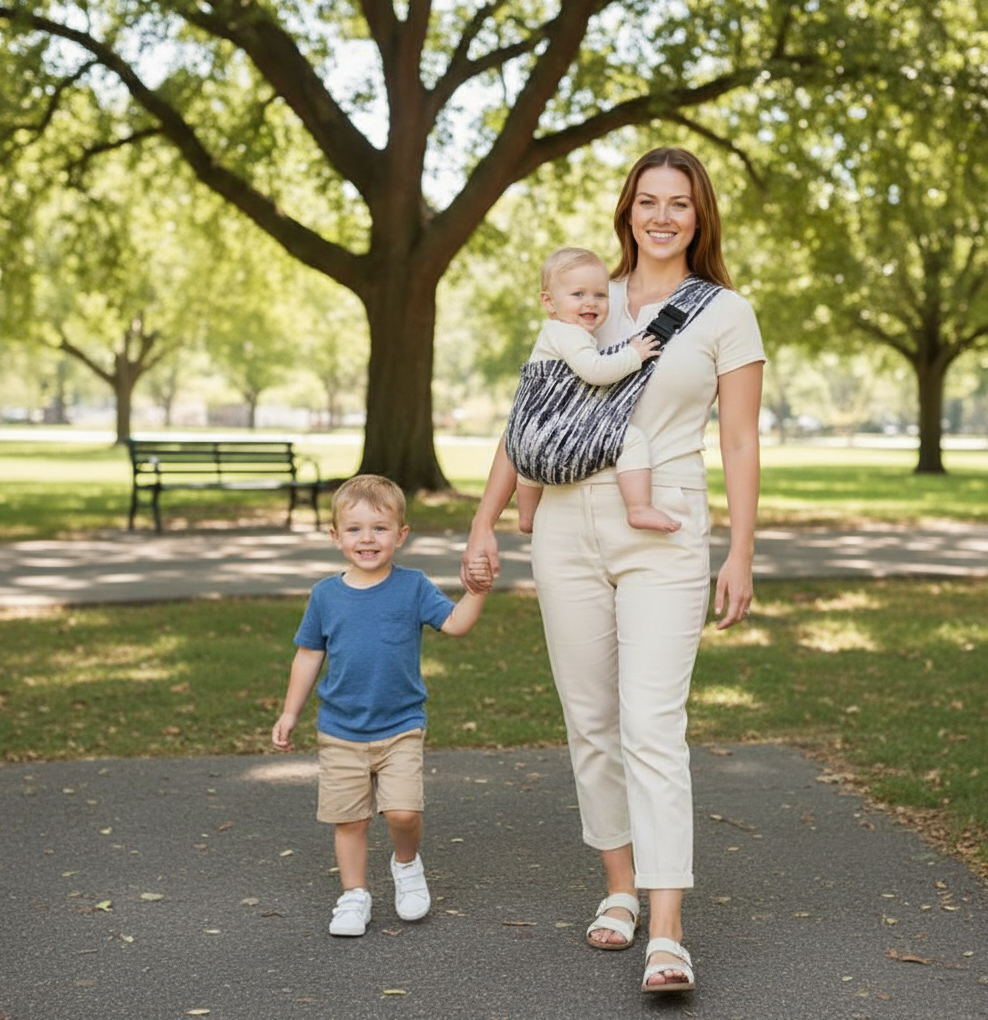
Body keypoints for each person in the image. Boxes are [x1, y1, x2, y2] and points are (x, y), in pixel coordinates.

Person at [461, 147, 764, 993]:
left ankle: (668, 930)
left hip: (662, 519)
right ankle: (620, 890)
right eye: (647, 201)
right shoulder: (582, 297)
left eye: (680, 204)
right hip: (563, 522)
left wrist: (740, 548)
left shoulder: (723, 313)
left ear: (700, 217)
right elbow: (530, 416)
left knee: (652, 725)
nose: (662, 216)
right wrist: (487, 519)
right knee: (589, 718)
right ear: (627, 209)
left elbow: (739, 439)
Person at [273, 474, 492, 937]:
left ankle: (407, 865)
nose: (367, 539)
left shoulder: (412, 587)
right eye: (354, 529)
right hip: (340, 730)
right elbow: (309, 654)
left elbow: (454, 625)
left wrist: (477, 592)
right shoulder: (325, 596)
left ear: (401, 534)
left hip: (401, 727)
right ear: (335, 537)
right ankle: (354, 895)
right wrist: (290, 712)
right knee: (349, 820)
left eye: (379, 528)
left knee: (403, 813)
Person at [507, 246, 680, 534]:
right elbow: (595, 372)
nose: (591, 303)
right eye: (578, 295)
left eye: (600, 295)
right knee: (631, 439)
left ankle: (526, 518)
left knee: (528, 468)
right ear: (549, 302)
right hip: (555, 431)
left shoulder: (549, 333)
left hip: (525, 438)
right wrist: (634, 355)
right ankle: (639, 508)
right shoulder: (569, 333)